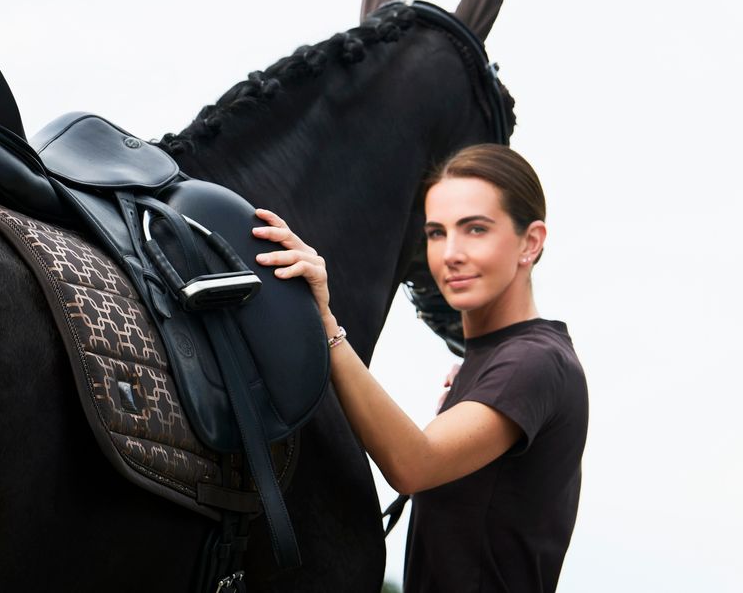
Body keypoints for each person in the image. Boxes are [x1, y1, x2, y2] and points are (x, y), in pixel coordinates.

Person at [251, 144, 589, 592]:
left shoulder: (534, 362)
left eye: (475, 229)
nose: (450, 253)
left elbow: (413, 464)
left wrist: (326, 325)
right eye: (435, 233)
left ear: (531, 242)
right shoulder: (498, 362)